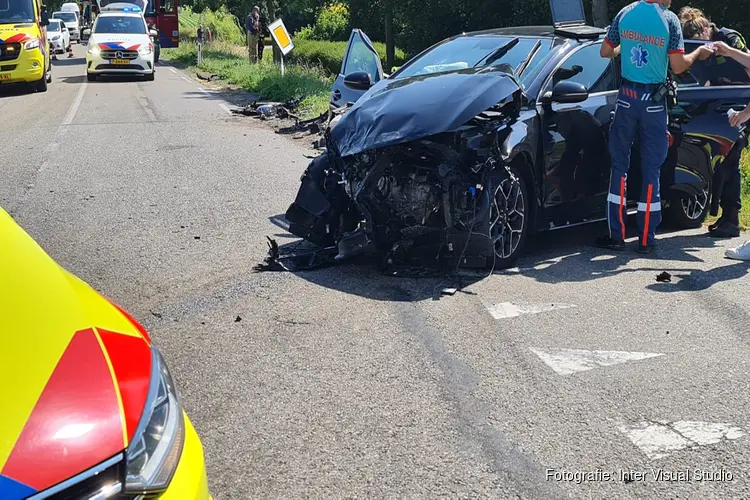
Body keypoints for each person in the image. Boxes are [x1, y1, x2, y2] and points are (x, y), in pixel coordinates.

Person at [596, 0, 715, 253]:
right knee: (652, 168)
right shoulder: (669, 20)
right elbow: (679, 66)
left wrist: (621, 50)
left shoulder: (625, 13)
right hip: (653, 101)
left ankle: (615, 235)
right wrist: (698, 53)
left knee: (619, 165)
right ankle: (647, 239)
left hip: (627, 96)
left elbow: (605, 51)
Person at [679, 8, 749, 238]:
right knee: (709, 154)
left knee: (731, 152)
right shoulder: (692, 47)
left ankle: (731, 217)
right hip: (714, 103)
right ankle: (711, 208)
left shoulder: (728, 38)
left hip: (741, 103)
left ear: (707, 29)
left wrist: (729, 53)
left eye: (702, 40)